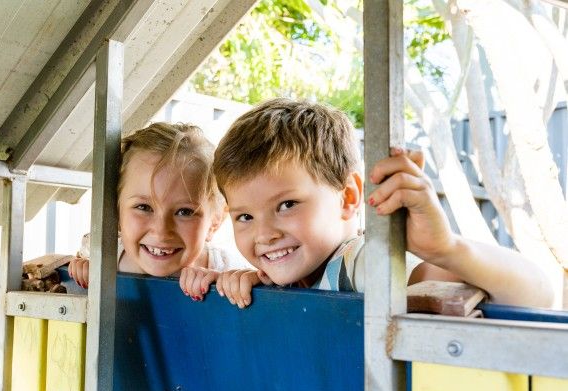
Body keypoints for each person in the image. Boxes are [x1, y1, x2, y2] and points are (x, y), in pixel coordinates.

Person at [179, 98, 554, 309]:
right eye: (245, 216)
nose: (264, 234)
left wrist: (445, 248)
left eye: (287, 205)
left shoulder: (357, 263)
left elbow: (535, 293)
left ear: (348, 198)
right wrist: (238, 286)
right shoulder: (288, 273)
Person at [68, 122, 246, 291]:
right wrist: (79, 270)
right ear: (116, 210)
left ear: (215, 221)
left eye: (184, 212)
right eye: (144, 207)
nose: (161, 231)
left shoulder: (227, 269)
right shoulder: (103, 259)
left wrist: (232, 287)